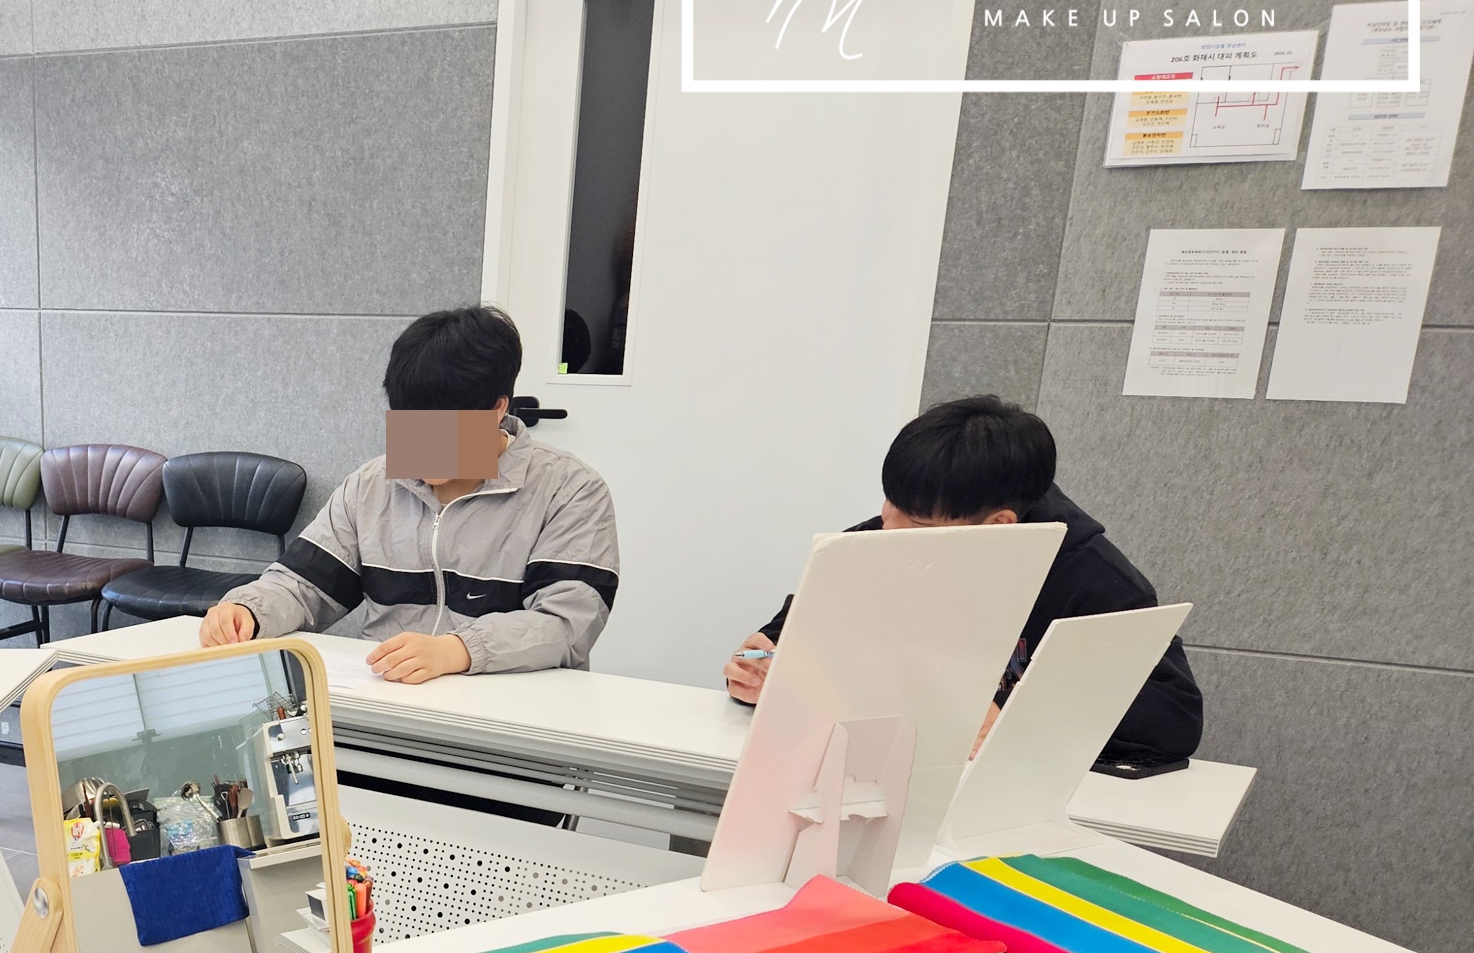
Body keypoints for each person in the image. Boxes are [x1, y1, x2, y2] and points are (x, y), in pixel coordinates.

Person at [722, 395, 1202, 769]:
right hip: (867, 774)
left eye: (917, 522)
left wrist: (1016, 716)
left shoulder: (1092, 579)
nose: (888, 528)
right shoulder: (872, 540)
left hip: (1004, 806)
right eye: (890, 503)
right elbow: (782, 642)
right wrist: (756, 667)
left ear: (999, 525)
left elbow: (1172, 720)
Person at [200, 306, 620, 681]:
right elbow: (303, 584)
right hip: (391, 701)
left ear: (497, 408)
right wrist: (249, 609)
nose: (424, 445)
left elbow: (567, 622)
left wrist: (457, 651)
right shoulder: (371, 484)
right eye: (411, 424)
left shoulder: (570, 490)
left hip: (510, 712)